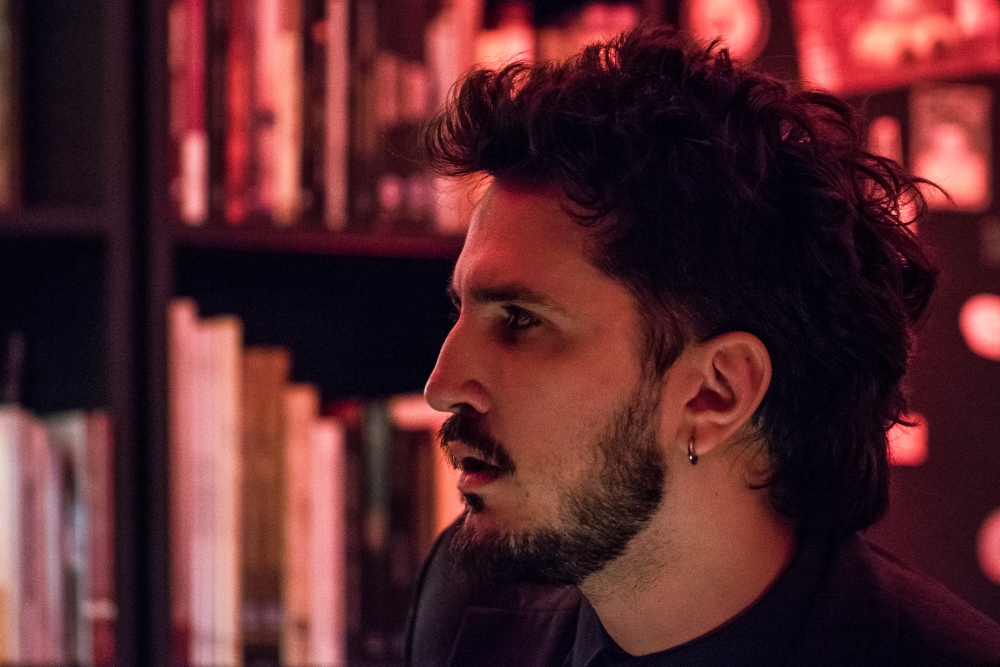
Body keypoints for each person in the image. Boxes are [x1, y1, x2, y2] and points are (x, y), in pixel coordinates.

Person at [406, 26, 1000, 666]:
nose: (441, 385)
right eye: (461, 310)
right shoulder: (472, 602)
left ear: (717, 392)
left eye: (520, 320)